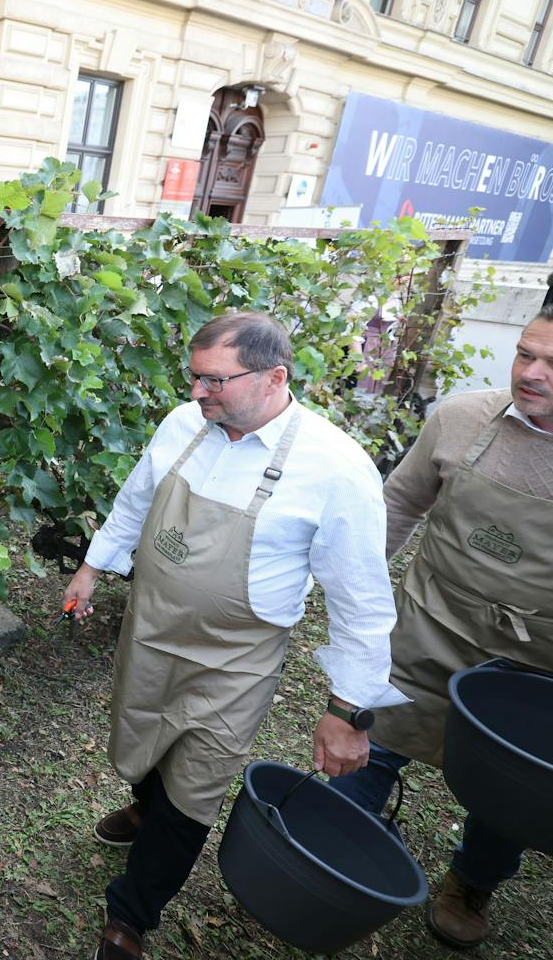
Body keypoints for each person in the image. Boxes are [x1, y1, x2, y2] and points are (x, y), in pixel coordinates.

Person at [61, 312, 409, 960]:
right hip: (151, 631)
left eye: (214, 380)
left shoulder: (334, 469)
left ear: (275, 377)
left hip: (234, 660)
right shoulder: (182, 424)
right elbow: (136, 501)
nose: (197, 393)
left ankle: (130, 913)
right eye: (194, 377)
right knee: (137, 736)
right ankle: (144, 803)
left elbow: (361, 602)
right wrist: (92, 565)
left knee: (195, 783)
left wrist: (347, 711)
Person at [328, 305, 553, 949]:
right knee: (369, 737)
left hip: (533, 663)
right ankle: (339, 838)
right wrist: (359, 598)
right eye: (524, 353)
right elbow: (399, 502)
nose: (530, 374)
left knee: (508, 788)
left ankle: (473, 881)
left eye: (552, 364)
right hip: (432, 625)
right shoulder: (461, 419)